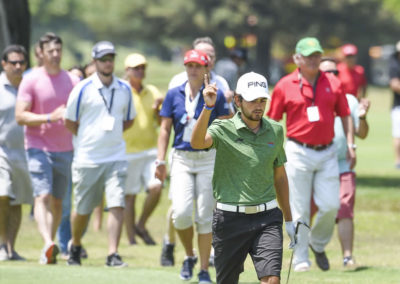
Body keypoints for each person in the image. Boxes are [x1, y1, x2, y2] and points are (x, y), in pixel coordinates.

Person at [191, 72, 295, 284]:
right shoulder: (223, 128)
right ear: (238, 101)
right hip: (229, 220)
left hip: (267, 217)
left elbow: (280, 177)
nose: (258, 106)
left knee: (272, 279)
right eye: (252, 101)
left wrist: (290, 220)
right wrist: (208, 107)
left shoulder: (275, 130)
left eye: (262, 100)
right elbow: (198, 142)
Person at [267, 37, 355, 272]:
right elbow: (273, 120)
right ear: (297, 59)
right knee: (300, 208)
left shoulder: (333, 82)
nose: (314, 59)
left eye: (317, 55)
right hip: (297, 151)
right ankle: (301, 257)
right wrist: (270, 150)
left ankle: (317, 242)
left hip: (327, 151)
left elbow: (345, 113)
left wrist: (350, 144)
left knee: (330, 205)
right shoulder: (285, 85)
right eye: (308, 56)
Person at [156, 49, 229, 283]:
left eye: (198, 65)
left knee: (206, 217)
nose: (193, 70)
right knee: (181, 214)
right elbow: (165, 128)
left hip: (209, 158)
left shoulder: (215, 94)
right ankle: (189, 256)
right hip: (182, 158)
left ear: (207, 68)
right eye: (190, 65)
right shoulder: (174, 93)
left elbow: (226, 125)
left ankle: (204, 269)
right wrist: (160, 159)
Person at [65, 41, 135, 267]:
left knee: (116, 204)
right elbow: (70, 122)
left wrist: (111, 135)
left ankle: (112, 254)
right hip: (87, 157)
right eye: (103, 59)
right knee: (83, 209)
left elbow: (128, 120)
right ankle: (75, 245)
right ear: (94, 62)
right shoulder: (82, 88)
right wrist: (88, 137)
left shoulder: (124, 88)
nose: (108, 63)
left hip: (115, 156)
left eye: (111, 58)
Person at [15, 32, 79, 264]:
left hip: (65, 148)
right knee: (42, 195)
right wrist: (49, 118)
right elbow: (20, 116)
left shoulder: (72, 81)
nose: (55, 55)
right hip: (37, 146)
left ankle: (48, 247)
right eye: (50, 51)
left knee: (59, 201)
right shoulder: (31, 79)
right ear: (41, 53)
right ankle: (46, 242)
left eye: (58, 50)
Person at [319, 58, 370, 268]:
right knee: (316, 210)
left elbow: (363, 134)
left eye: (335, 72)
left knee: (345, 209)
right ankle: (314, 248)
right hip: (317, 164)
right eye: (326, 73)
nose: (331, 76)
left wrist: (364, 117)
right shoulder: (311, 98)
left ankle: (347, 256)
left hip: (343, 164)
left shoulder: (350, 99)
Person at [123, 53, 164, 245]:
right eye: (136, 68)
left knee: (156, 187)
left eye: (142, 68)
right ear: (127, 71)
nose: (140, 71)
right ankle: (131, 240)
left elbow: (161, 122)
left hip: (150, 150)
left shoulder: (153, 92)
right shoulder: (122, 91)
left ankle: (141, 224)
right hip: (126, 151)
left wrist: (158, 110)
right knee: (129, 196)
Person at [0, 45, 33, 261]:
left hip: (25, 151)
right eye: (13, 62)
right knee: (2, 194)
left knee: (17, 200)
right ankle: (2, 244)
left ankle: (11, 248)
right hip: (1, 150)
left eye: (21, 62)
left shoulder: (29, 87)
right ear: (4, 64)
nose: (18, 66)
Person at [389, 41, 400, 169]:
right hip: (398, 106)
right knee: (398, 135)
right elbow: (394, 85)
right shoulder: (394, 66)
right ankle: (398, 161)